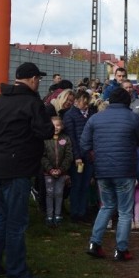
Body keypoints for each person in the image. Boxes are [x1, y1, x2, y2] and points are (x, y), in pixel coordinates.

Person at [0, 62, 54, 278]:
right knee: (17, 222)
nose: (39, 82)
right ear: (32, 79)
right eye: (38, 79)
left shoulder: (0, 100)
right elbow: (46, 131)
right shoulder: (31, 102)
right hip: (18, 166)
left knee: (3, 218)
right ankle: (17, 270)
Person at [82, 87, 139, 261]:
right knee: (125, 211)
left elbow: (84, 144)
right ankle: (121, 249)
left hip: (102, 170)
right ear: (127, 101)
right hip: (125, 169)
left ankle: (94, 243)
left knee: (106, 206)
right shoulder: (133, 119)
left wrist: (95, 158)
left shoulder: (95, 119)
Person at [63, 89, 97, 224]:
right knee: (77, 185)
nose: (86, 105)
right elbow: (72, 138)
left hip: (89, 155)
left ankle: (83, 211)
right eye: (84, 103)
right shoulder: (70, 115)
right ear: (76, 102)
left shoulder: (91, 114)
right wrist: (76, 156)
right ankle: (75, 213)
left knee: (86, 185)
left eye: (87, 102)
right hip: (77, 157)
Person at [121, 79, 139, 229]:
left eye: (130, 87)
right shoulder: (120, 105)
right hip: (126, 146)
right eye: (125, 88)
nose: (128, 90)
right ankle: (126, 217)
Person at [40, 116, 73, 227]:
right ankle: (49, 215)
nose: (56, 128)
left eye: (58, 125)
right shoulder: (45, 139)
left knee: (59, 193)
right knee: (49, 194)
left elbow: (69, 156)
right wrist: (50, 169)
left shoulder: (66, 139)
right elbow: (42, 156)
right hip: (48, 172)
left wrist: (61, 169)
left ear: (62, 126)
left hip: (62, 173)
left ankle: (58, 215)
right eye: (53, 126)